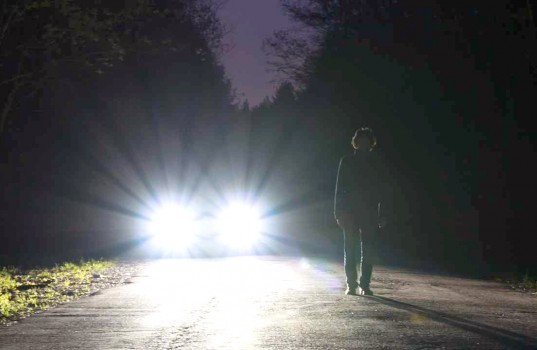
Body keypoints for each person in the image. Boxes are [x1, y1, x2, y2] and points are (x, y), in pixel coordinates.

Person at [334, 127, 386, 296]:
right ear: (356, 142)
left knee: (368, 248)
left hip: (369, 211)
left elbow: (382, 190)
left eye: (366, 141)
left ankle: (364, 284)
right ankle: (351, 284)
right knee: (350, 248)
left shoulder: (376, 163)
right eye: (361, 140)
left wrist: (382, 213)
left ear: (370, 143)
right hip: (349, 212)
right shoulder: (346, 161)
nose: (363, 144)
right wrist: (338, 212)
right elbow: (339, 188)